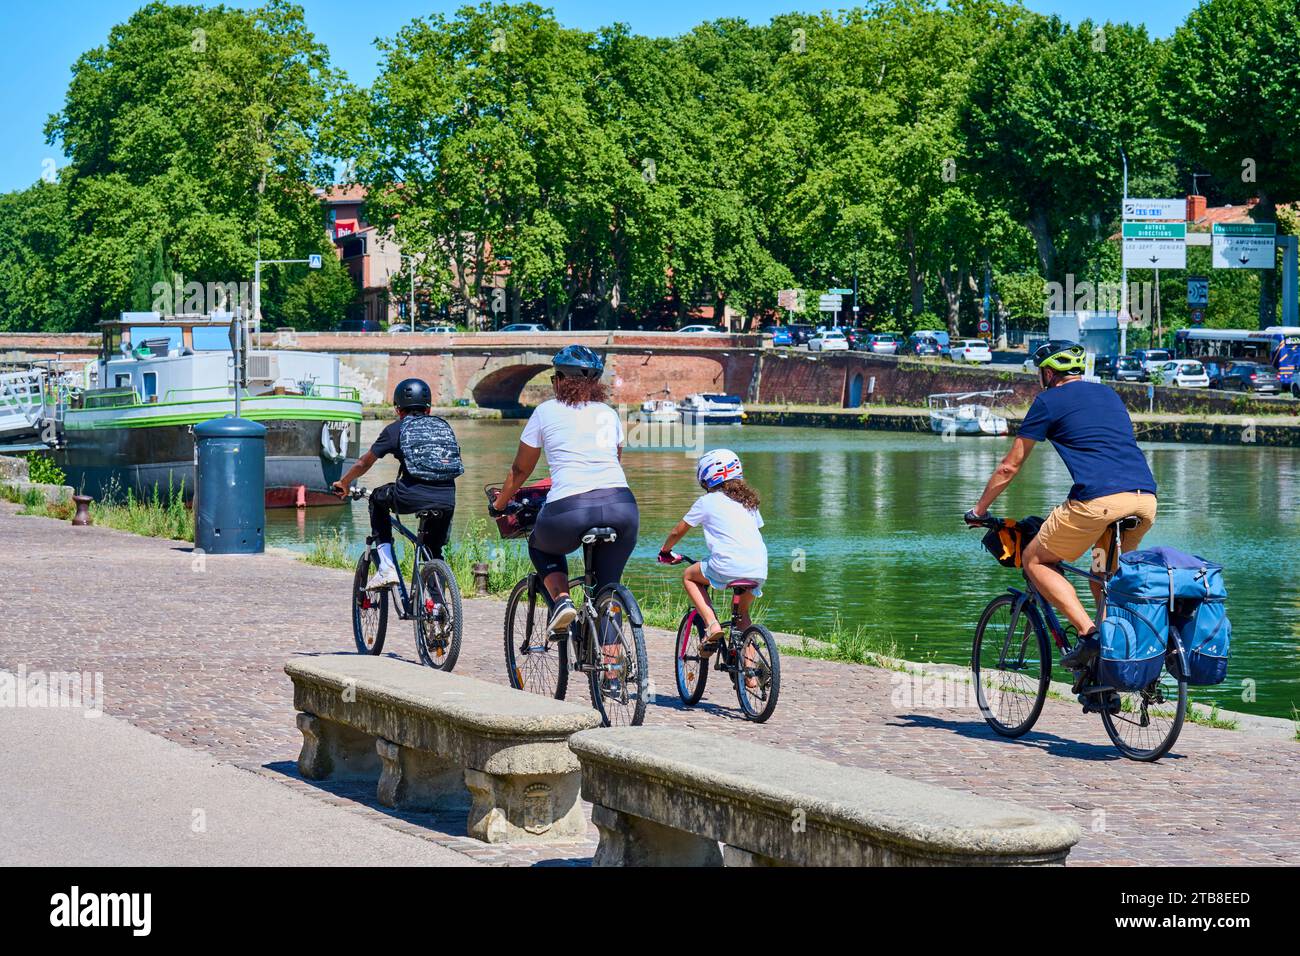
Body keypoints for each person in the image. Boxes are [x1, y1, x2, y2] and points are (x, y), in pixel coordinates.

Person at [965, 340, 1158, 672]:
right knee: (1101, 573)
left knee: (1035, 559)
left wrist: (979, 510)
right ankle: (1112, 661)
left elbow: (1010, 466)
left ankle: (1090, 634)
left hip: (1097, 503)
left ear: (1049, 372)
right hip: (1143, 502)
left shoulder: (1048, 400)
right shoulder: (1109, 394)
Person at [490, 345, 638, 633]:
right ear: (594, 383)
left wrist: (499, 505)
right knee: (607, 590)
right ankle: (612, 673)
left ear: (558, 379)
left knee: (541, 546)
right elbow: (614, 461)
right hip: (623, 506)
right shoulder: (609, 413)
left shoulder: (545, 412)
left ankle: (562, 600)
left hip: (570, 509)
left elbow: (521, 470)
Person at [332, 378, 462, 590]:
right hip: (447, 498)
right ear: (428, 409)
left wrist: (344, 483)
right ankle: (438, 608)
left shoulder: (396, 429)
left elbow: (364, 462)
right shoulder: (442, 427)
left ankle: (386, 567)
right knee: (433, 550)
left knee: (377, 498)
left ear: (397, 409)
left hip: (411, 495)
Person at [658, 449, 768, 655]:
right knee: (743, 617)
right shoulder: (749, 502)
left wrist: (666, 551)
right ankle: (751, 677)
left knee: (689, 576)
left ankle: (712, 625)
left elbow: (677, 531)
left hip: (726, 566)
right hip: (758, 567)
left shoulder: (706, 502)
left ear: (707, 478)